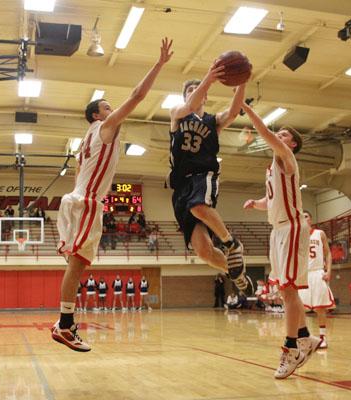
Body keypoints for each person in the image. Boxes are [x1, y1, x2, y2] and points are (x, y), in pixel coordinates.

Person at [52, 38, 173, 352]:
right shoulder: (103, 129)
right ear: (96, 115)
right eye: (107, 107)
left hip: (81, 199)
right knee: (77, 265)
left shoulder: (88, 138)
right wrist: (159, 65)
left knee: (77, 265)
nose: (113, 109)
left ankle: (66, 322)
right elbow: (137, 95)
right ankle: (65, 325)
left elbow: (81, 173)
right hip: (87, 201)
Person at [242, 102, 321, 379]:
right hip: (278, 230)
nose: (281, 136)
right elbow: (272, 199)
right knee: (288, 291)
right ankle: (305, 338)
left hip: (292, 227)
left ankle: (290, 349)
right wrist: (257, 203)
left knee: (288, 289)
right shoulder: (272, 168)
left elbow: (265, 132)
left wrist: (246, 108)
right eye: (282, 134)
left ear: (293, 145)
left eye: (286, 135)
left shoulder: (287, 157)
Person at [168, 59, 252, 294]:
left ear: (205, 97)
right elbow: (188, 105)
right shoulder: (177, 114)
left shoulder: (212, 121)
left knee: (198, 206)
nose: (195, 94)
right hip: (180, 186)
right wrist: (209, 78)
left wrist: (242, 84)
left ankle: (232, 243)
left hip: (203, 175)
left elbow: (234, 112)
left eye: (198, 91)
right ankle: (235, 273)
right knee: (203, 252)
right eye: (189, 91)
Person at [299, 211, 335, 349]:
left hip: (318, 272)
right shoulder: (298, 236)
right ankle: (304, 337)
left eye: (306, 216)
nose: (304, 218)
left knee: (320, 308)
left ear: (311, 219)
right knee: (300, 308)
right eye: (302, 216)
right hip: (304, 275)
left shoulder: (320, 233)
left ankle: (322, 337)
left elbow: (328, 253)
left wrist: (329, 271)